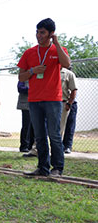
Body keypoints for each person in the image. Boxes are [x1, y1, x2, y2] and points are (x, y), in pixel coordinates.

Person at [18, 18, 70, 177]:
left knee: (54, 134)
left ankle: (57, 168)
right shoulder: (29, 53)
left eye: (42, 32)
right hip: (34, 100)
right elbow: (21, 77)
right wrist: (33, 71)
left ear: (51, 34)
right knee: (39, 135)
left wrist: (57, 43)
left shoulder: (58, 50)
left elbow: (67, 64)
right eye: (37, 32)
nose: (38, 35)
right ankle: (43, 167)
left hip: (53, 99)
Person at [60, 67, 78, 154]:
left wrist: (69, 103)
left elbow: (74, 90)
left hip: (68, 103)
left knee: (69, 126)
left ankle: (67, 146)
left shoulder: (69, 75)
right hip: (56, 102)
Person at [16, 80, 34, 153]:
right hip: (26, 105)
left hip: (36, 103)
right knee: (26, 125)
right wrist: (33, 89)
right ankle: (24, 146)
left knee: (34, 126)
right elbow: (20, 88)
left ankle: (32, 146)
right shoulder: (23, 77)